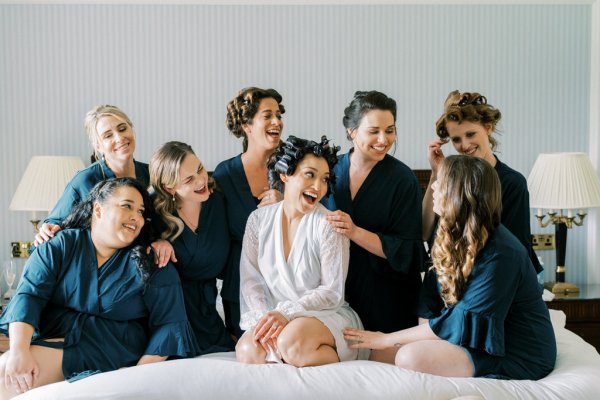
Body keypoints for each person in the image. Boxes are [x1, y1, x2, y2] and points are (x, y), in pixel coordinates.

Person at [344, 155, 556, 380]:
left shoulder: (502, 253)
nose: (433, 186)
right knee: (377, 355)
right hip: (467, 337)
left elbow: (462, 319)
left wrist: (387, 338)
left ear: (459, 193)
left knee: (410, 357)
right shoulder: (448, 229)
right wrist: (392, 341)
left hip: (515, 351)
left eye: (440, 182)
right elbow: (431, 294)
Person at [0, 178, 199, 398]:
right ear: (98, 209)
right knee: (6, 366)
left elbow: (170, 325)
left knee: (7, 379)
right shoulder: (60, 245)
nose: (137, 217)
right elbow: (29, 295)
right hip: (59, 334)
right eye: (127, 206)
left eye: (141, 211)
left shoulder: (152, 263)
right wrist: (19, 350)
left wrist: (138, 377)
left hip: (113, 345)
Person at [235, 136, 364, 366]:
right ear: (285, 175)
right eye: (310, 175)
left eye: (325, 179)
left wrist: (287, 313)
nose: (318, 187)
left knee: (291, 342)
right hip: (276, 316)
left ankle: (341, 357)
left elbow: (332, 292)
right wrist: (267, 318)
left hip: (324, 314)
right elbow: (250, 280)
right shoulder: (257, 221)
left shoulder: (328, 224)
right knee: (247, 350)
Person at [322, 90, 423, 362]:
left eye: (390, 131)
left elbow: (406, 251)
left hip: (388, 294)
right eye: (374, 131)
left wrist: (354, 232)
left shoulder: (403, 180)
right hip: (338, 291)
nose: (384, 140)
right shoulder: (327, 171)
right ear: (351, 131)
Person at [34, 104, 174, 267]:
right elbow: (54, 225)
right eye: (108, 136)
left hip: (144, 264)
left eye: (122, 129)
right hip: (98, 267)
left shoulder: (153, 175)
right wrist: (46, 229)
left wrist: (163, 241)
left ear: (132, 129)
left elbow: (168, 221)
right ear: (98, 146)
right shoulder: (85, 180)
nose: (119, 138)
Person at [422, 90, 541, 273]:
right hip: (456, 276)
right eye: (456, 139)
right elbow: (424, 232)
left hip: (500, 276)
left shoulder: (512, 183)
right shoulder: (449, 183)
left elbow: (516, 249)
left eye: (471, 134)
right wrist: (436, 173)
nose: (465, 145)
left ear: (488, 127)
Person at [149, 141, 235, 354]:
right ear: (170, 188)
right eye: (189, 179)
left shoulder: (219, 201)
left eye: (200, 169)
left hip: (209, 312)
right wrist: (153, 242)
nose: (201, 180)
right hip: (172, 314)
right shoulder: (154, 214)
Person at [213, 87, 285, 339]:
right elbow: (217, 240)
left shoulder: (296, 168)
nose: (277, 121)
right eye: (268, 116)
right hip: (240, 290)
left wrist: (284, 203)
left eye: (279, 115)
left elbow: (312, 224)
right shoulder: (225, 175)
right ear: (247, 125)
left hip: (289, 289)